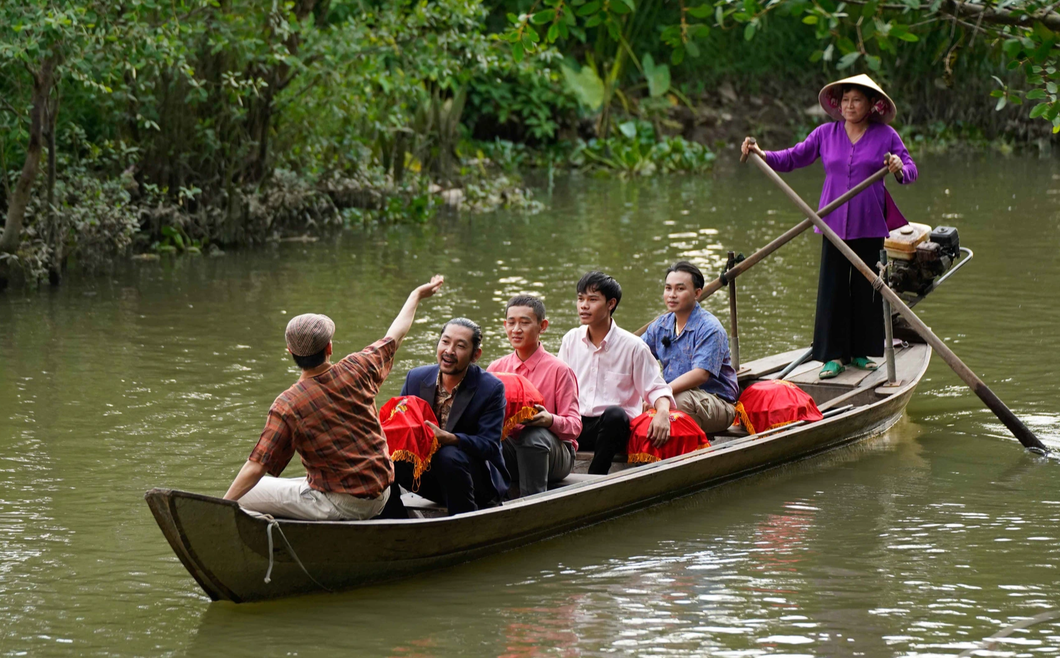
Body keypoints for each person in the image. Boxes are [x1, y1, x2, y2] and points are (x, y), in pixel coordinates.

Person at [222, 275, 445, 520]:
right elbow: (396, 335)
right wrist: (416, 295)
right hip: (382, 493)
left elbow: (257, 466)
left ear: (290, 353)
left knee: (243, 494)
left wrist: (220, 508)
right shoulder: (358, 368)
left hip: (343, 505)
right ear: (329, 347)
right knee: (289, 484)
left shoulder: (288, 404)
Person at [741, 74, 917, 380]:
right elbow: (795, 157)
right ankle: (833, 356)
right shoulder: (826, 133)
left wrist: (899, 169)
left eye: (857, 100)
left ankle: (861, 353)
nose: (850, 106)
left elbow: (910, 169)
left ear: (871, 105)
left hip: (869, 223)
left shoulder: (886, 136)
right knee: (833, 288)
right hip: (832, 222)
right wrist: (762, 154)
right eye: (846, 100)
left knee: (867, 290)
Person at [559, 271, 675, 475]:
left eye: (592, 299)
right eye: (580, 299)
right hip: (577, 425)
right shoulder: (570, 340)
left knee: (615, 415)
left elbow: (657, 388)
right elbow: (557, 385)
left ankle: (595, 478)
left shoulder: (633, 346)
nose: (584, 306)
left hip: (614, 430)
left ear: (611, 304)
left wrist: (663, 413)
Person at [395, 318, 509, 515]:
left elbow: (490, 446)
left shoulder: (491, 388)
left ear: (476, 355)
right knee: (385, 454)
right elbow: (399, 424)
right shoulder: (415, 377)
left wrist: (452, 439)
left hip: (475, 481)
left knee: (447, 455)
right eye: (445, 342)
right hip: (429, 479)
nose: (449, 351)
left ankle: (464, 524)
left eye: (460, 346)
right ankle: (394, 519)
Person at [487, 295, 581, 497]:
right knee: (483, 436)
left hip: (555, 454)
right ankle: (489, 501)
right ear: (504, 325)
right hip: (513, 450)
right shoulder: (496, 369)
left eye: (525, 322)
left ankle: (532, 502)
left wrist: (549, 420)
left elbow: (574, 426)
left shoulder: (560, 370)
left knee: (533, 435)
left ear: (542, 326)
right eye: (511, 323)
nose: (516, 329)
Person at [642, 261, 740, 434]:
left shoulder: (710, 328)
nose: (672, 295)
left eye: (680, 289)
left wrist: (661, 393)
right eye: (668, 288)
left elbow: (700, 374)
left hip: (716, 402)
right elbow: (637, 354)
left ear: (697, 293)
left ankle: (678, 446)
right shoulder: (661, 325)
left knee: (678, 401)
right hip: (673, 392)